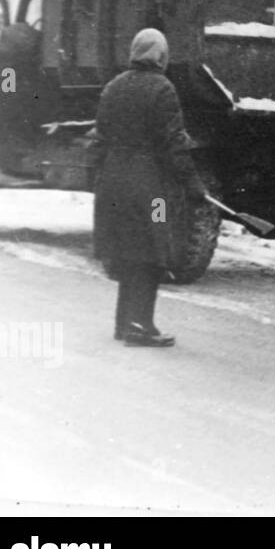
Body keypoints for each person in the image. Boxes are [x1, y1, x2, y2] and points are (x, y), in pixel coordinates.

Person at [91, 29, 205, 347]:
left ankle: (124, 323)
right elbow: (174, 145)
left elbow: (99, 139)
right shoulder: (162, 88)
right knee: (153, 252)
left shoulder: (113, 86)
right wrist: (193, 185)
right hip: (150, 187)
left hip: (114, 182)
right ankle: (141, 326)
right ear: (161, 55)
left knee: (127, 253)